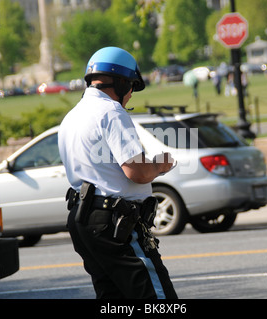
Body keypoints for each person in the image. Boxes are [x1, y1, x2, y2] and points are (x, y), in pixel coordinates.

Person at [58, 47, 178, 299]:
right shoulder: (111, 112)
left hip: (83, 220)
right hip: (113, 223)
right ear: (121, 82)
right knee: (158, 298)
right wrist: (159, 166)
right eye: (132, 86)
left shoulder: (72, 116)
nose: (131, 94)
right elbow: (137, 172)